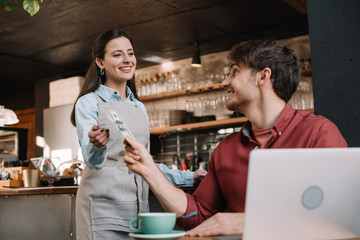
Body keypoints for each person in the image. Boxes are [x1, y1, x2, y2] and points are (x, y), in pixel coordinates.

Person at [123, 39, 348, 236]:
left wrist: (245, 221)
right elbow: (197, 215)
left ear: (263, 76)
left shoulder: (318, 134)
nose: (224, 82)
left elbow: (340, 216)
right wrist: (149, 170)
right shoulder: (225, 150)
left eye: (235, 71)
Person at [70, 29, 207, 239]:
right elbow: (93, 162)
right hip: (102, 210)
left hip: (137, 211)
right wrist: (98, 146)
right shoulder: (88, 102)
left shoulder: (138, 107)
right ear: (100, 62)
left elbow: (146, 164)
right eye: (117, 55)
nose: (127, 60)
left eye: (130, 53)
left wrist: (189, 177)